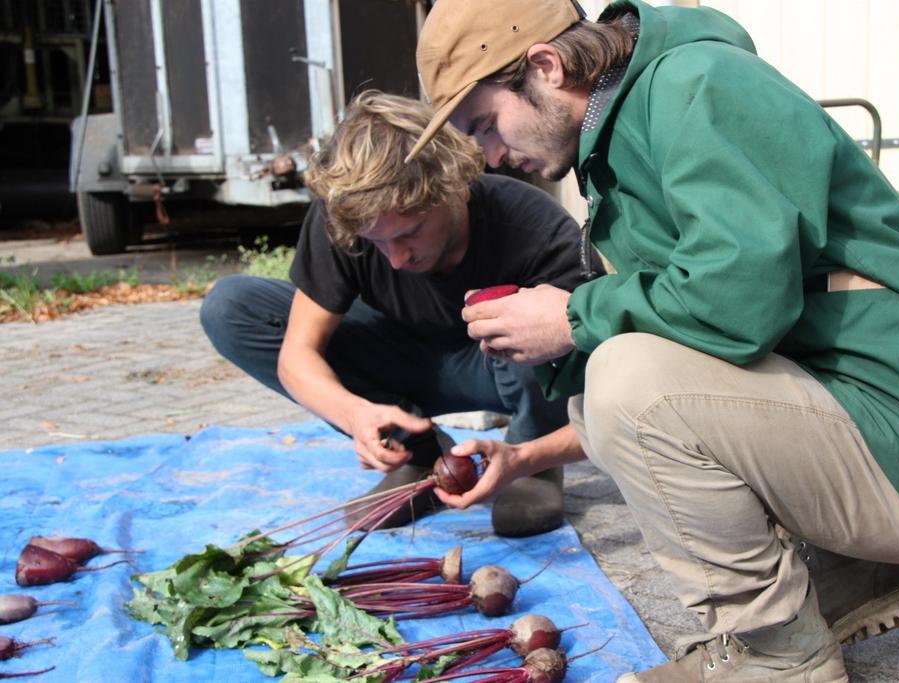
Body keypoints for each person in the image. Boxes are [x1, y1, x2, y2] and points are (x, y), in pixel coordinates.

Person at [408, 1, 899, 680]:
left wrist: (575, 316)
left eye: (486, 125)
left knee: (628, 386)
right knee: (600, 393)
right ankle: (853, 575)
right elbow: (698, 335)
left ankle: (776, 654)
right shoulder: (628, 125)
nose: (491, 156)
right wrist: (542, 383)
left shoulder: (697, 85)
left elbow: (740, 300)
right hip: (876, 425)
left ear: (546, 67)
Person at [200, 90, 601, 538]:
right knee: (229, 307)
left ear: (452, 189)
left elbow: (604, 386)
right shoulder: (348, 216)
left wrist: (534, 455)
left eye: (410, 232)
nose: (395, 259)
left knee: (532, 317)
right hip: (403, 357)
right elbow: (298, 356)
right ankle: (421, 456)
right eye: (376, 242)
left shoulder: (535, 229)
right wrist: (355, 415)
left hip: (497, 366)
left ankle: (531, 460)